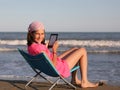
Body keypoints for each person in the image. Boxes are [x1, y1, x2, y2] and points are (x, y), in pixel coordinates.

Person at [27, 21, 100, 88]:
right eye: (37, 34)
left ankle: (74, 79)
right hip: (58, 68)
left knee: (75, 49)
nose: (40, 36)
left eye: (42, 34)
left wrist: (45, 46)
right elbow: (53, 65)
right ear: (31, 34)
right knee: (82, 50)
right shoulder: (40, 49)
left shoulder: (31, 47)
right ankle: (84, 81)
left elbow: (41, 51)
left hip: (49, 66)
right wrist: (54, 51)